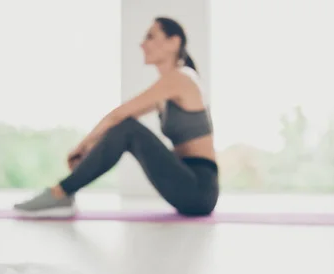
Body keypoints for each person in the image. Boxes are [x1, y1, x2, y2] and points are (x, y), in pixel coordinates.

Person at [14, 17, 219, 216]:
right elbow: (117, 122)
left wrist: (81, 146)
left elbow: (118, 115)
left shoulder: (181, 77)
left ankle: (60, 192)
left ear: (174, 42)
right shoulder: (167, 89)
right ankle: (65, 192)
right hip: (187, 183)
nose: (142, 44)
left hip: (199, 189)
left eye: (150, 36)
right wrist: (90, 149)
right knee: (125, 127)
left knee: (128, 128)